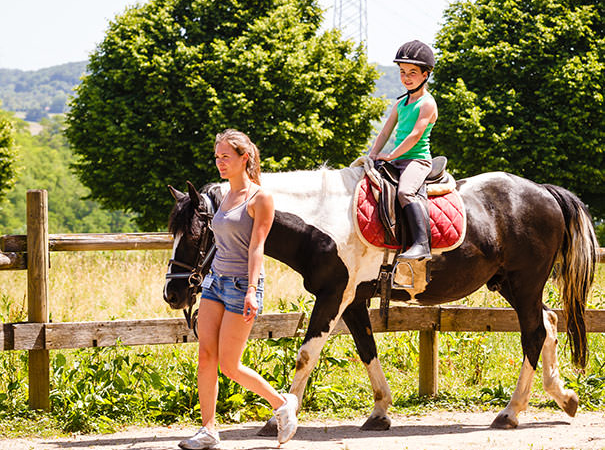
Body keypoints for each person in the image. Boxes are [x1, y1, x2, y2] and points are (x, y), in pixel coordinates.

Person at [179, 129, 298, 450]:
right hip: (215, 283)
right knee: (206, 357)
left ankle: (282, 403)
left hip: (243, 285)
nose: (219, 162)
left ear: (245, 158)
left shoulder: (260, 198)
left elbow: (257, 247)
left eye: (225, 157)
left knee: (229, 365)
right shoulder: (223, 194)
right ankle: (208, 431)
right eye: (217, 157)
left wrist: (252, 290)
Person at [368, 40, 438, 262]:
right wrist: (372, 154)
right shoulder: (400, 104)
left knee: (405, 192)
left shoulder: (427, 103)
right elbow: (385, 132)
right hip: (398, 159)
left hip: (417, 160)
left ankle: (422, 244)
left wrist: (390, 156)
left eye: (413, 73)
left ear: (425, 75)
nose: (406, 78)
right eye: (402, 72)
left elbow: (414, 136)